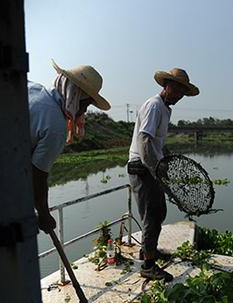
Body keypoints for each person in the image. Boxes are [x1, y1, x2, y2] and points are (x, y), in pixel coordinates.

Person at [127, 68, 199, 281]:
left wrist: (165, 160)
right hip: (142, 167)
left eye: (182, 92)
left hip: (152, 167)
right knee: (152, 215)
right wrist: (157, 170)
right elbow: (145, 141)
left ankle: (149, 250)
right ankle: (148, 265)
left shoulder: (166, 110)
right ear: (165, 86)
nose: (178, 95)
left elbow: (157, 144)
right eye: (176, 89)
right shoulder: (154, 105)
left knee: (158, 213)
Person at [30, 60, 110, 234]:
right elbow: (36, 175)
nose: (85, 111)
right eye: (86, 104)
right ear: (76, 96)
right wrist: (44, 214)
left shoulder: (34, 88)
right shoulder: (55, 126)